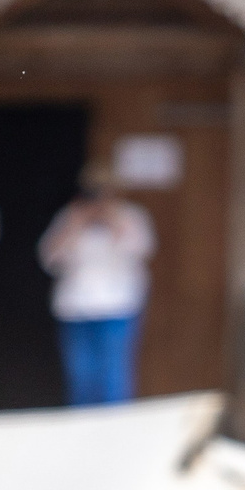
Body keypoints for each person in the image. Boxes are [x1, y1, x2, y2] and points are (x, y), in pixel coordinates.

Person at [39, 168, 156, 407]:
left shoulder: (131, 216)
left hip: (117, 306)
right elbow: (49, 259)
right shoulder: (70, 217)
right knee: (81, 374)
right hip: (76, 308)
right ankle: (82, 423)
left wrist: (113, 221)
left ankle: (116, 424)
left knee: (114, 374)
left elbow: (141, 249)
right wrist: (74, 226)